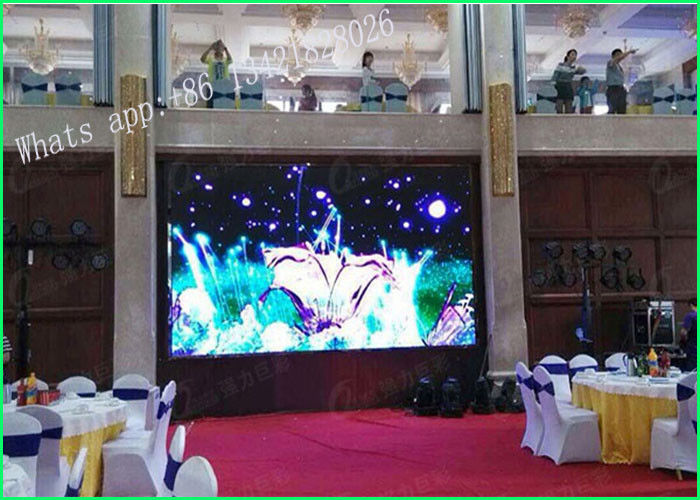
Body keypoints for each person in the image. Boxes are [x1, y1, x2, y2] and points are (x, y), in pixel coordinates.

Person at [552, 49, 586, 114]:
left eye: (575, 55)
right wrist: (553, 88)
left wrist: (579, 67)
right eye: (572, 54)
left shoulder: (573, 68)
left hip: (568, 86)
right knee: (559, 108)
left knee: (569, 107)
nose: (574, 56)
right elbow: (554, 77)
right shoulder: (560, 65)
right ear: (568, 56)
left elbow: (583, 71)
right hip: (560, 86)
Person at [606, 47, 637, 114]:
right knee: (612, 109)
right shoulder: (610, 63)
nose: (620, 56)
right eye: (618, 55)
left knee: (622, 109)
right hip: (613, 89)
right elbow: (618, 59)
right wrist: (629, 52)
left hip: (621, 89)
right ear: (613, 56)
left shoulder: (619, 67)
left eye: (620, 54)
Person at [679, 298, 696, 371]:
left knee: (692, 373)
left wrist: (683, 342)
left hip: (694, 350)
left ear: (691, 305)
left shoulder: (690, 316)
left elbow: (683, 333)